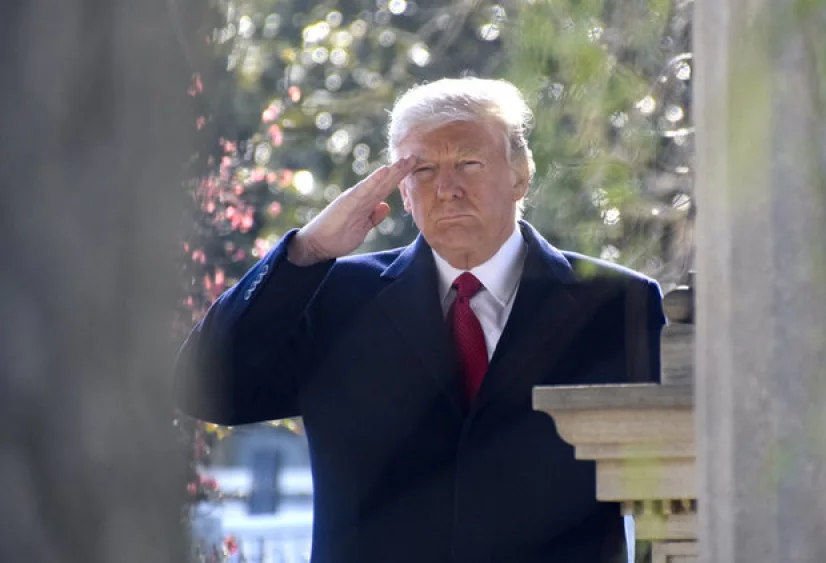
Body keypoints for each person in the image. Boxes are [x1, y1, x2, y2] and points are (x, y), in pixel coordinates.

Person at [175, 77, 665, 563]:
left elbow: (675, 484)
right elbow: (208, 387)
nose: (447, 189)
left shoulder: (617, 304)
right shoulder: (334, 298)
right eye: (424, 169)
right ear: (402, 192)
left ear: (521, 175)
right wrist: (309, 249)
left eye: (469, 163)